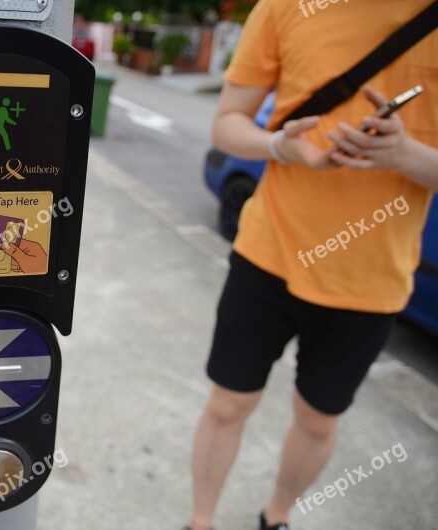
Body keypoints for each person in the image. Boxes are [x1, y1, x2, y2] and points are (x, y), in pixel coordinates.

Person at [185, 1, 438, 529]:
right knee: (228, 404)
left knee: (319, 420)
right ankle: (200, 521)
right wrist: (280, 145)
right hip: (267, 255)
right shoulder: (285, 7)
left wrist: (405, 154)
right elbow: (227, 123)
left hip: (371, 282)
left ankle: (276, 518)